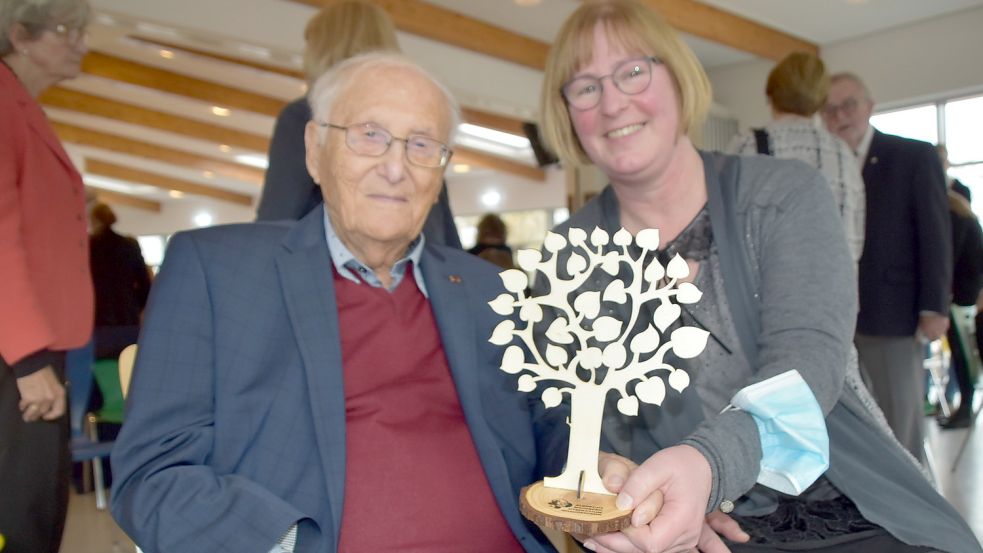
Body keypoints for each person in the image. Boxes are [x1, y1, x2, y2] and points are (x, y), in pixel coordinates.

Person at [537, 1, 980, 552]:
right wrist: (627, 486)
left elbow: (807, 356)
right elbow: (573, 412)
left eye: (632, 72)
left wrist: (708, 466)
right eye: (585, 87)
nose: (611, 102)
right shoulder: (569, 254)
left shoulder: (783, 196)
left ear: (678, 78)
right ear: (566, 114)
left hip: (838, 507)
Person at [111, 52, 562, 553]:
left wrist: (599, 468)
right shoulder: (219, 271)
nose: (395, 168)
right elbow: (152, 474)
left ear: (441, 171)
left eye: (421, 144)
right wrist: (284, 543)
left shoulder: (489, 289)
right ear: (315, 149)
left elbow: (548, 429)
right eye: (369, 134)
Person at [0, 1, 94, 551]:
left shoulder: (20, 103)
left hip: (32, 344)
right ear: (20, 35)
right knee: (24, 515)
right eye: (67, 31)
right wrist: (29, 357)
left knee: (38, 510)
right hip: (17, 354)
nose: (81, 42)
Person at [256, 0, 462, 249]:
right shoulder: (420, 115)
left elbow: (276, 216)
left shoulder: (305, 114)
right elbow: (445, 227)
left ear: (322, 47)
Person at [823, 72, 951, 462]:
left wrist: (934, 308)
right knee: (854, 430)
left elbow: (935, 235)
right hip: (836, 319)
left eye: (849, 105)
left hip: (893, 315)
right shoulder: (820, 167)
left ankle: (918, 516)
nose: (841, 116)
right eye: (830, 109)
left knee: (901, 425)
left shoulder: (912, 155)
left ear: (869, 107)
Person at [728, 52, 865, 264]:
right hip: (836, 289)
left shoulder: (747, 145)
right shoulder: (844, 153)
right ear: (821, 99)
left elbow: (726, 230)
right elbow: (855, 241)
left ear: (770, 94)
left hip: (770, 289)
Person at [939, 190, 983, 428]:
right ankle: (963, 406)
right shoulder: (965, 215)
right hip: (969, 293)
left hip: (962, 296)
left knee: (962, 355)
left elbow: (949, 259)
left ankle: (964, 408)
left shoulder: (954, 218)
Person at [89, 202, 152, 360]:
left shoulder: (89, 246)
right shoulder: (129, 245)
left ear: (93, 220)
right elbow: (145, 285)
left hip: (98, 320)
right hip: (128, 319)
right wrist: (135, 305)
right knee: (128, 370)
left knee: (101, 374)